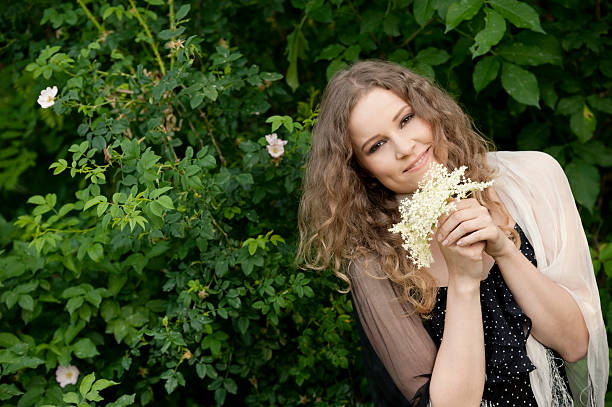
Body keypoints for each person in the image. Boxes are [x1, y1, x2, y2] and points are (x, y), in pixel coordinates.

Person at [297, 60, 608, 406]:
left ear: (429, 108)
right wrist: (463, 281)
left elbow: (576, 343)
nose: (404, 147)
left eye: (406, 119)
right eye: (376, 146)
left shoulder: (534, 179)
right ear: (362, 169)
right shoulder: (373, 259)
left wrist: (504, 250)